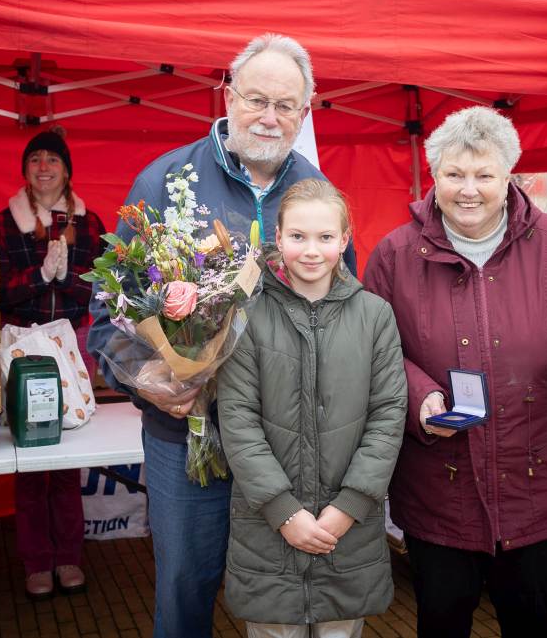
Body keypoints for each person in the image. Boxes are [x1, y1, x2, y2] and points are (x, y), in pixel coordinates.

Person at [86, 33, 356, 638]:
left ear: (305, 112)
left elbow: (347, 315)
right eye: (256, 98)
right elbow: (108, 318)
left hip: (288, 451)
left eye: (286, 105)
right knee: (186, 593)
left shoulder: (317, 194)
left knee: (282, 601)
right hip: (188, 443)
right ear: (227, 95)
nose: (269, 116)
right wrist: (148, 381)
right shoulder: (164, 182)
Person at [362, 106, 547, 638]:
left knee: (530, 621)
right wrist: (419, 397)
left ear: (509, 177)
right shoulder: (394, 255)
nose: (467, 190)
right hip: (440, 489)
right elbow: (375, 351)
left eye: (483, 175)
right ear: (435, 176)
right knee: (442, 621)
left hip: (535, 480)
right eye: (454, 175)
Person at [217, 179, 406, 637]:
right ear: (277, 238)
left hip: (347, 530)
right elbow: (237, 420)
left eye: (325, 237)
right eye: (298, 236)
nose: (311, 250)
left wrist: (349, 507)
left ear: (345, 240)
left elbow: (388, 415)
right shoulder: (248, 314)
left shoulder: (375, 315)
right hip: (268, 530)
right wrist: (284, 510)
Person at [0, 127, 106, 600]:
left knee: (67, 455)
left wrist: (65, 278)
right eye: (35, 159)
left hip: (72, 343)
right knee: (32, 457)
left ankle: (69, 555)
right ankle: (37, 560)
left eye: (53, 159)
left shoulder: (89, 222)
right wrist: (39, 276)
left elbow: (100, 289)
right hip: (20, 344)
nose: (44, 167)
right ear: (25, 170)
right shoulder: (2, 223)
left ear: (67, 170)